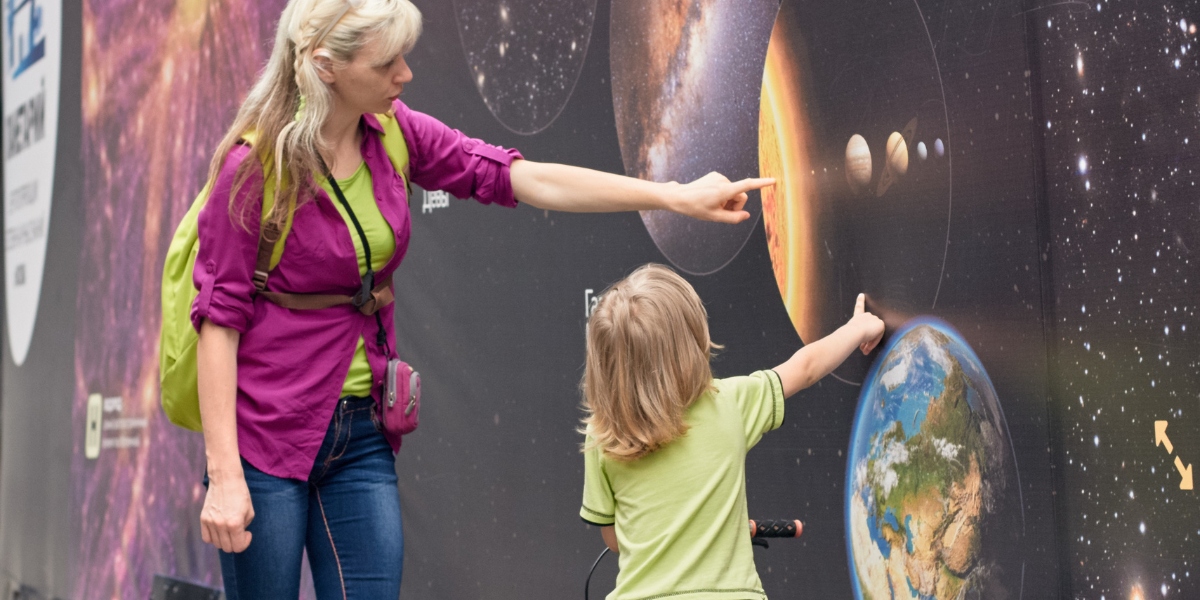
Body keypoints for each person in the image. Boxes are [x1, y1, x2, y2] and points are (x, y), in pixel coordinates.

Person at [193, 0, 773, 597]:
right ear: (325, 67)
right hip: (265, 437)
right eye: (388, 62)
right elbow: (218, 321)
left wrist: (672, 196)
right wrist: (225, 475)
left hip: (361, 432)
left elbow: (526, 177)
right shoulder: (254, 167)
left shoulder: (393, 134)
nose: (405, 75)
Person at [578, 264, 885, 600]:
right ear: (691, 342)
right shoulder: (729, 403)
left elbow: (615, 540)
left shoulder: (602, 435)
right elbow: (806, 368)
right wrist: (858, 328)